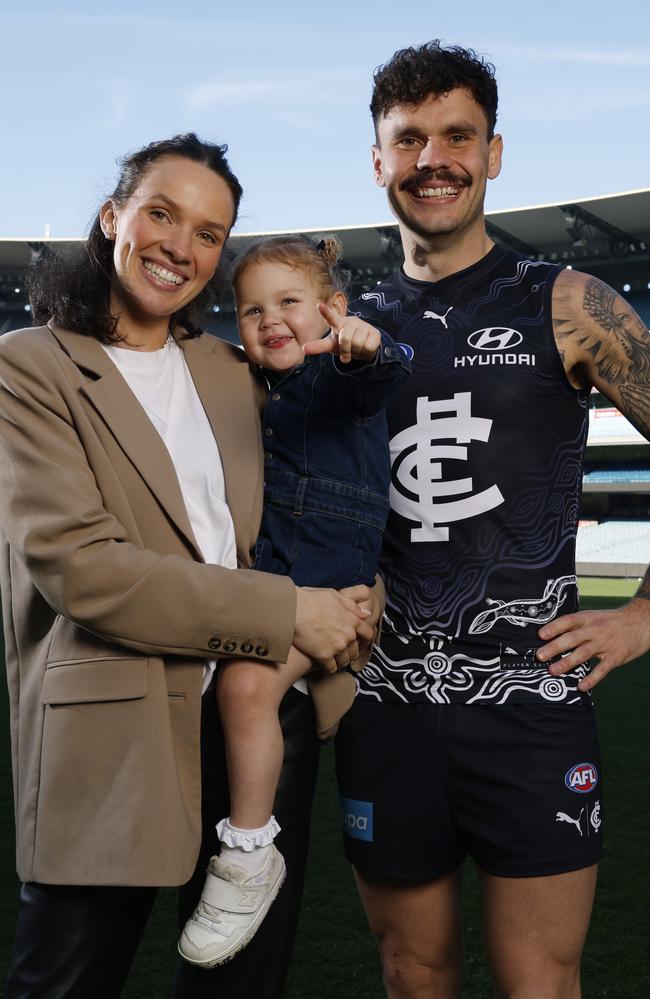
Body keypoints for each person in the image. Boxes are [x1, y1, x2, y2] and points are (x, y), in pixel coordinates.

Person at [0, 133, 378, 999]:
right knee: (65, 982)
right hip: (115, 724)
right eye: (161, 214)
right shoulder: (30, 366)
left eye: (209, 233)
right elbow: (83, 572)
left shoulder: (229, 369)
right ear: (113, 217)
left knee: (240, 988)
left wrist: (357, 608)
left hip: (261, 708)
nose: (181, 245)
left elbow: (319, 491)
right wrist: (290, 611)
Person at [334, 41, 650, 998]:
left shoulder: (568, 303)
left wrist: (643, 615)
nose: (435, 158)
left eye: (458, 135)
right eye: (410, 138)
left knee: (540, 980)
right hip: (383, 707)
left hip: (531, 706)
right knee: (410, 971)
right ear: (378, 159)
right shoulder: (346, 327)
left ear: (495, 152)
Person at [177, 234, 410, 968]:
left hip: (327, 584)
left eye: (289, 303)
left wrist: (365, 347)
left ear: (333, 311)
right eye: (251, 310)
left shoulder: (336, 375)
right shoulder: (261, 393)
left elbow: (377, 378)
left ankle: (248, 852)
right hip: (280, 581)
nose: (270, 319)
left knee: (246, 687)